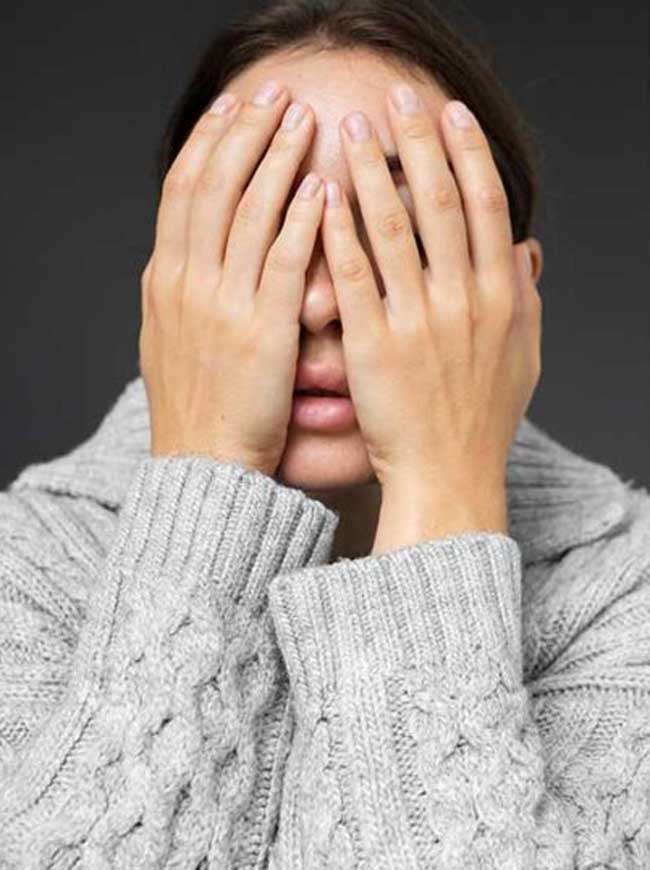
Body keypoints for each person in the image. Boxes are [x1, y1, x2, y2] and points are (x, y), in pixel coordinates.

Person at [1, 0, 648, 867]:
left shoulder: (629, 598)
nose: (318, 300)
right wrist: (207, 480)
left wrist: (442, 482)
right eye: (260, 226)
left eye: (400, 227)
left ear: (515, 297)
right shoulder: (23, 571)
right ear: (172, 281)